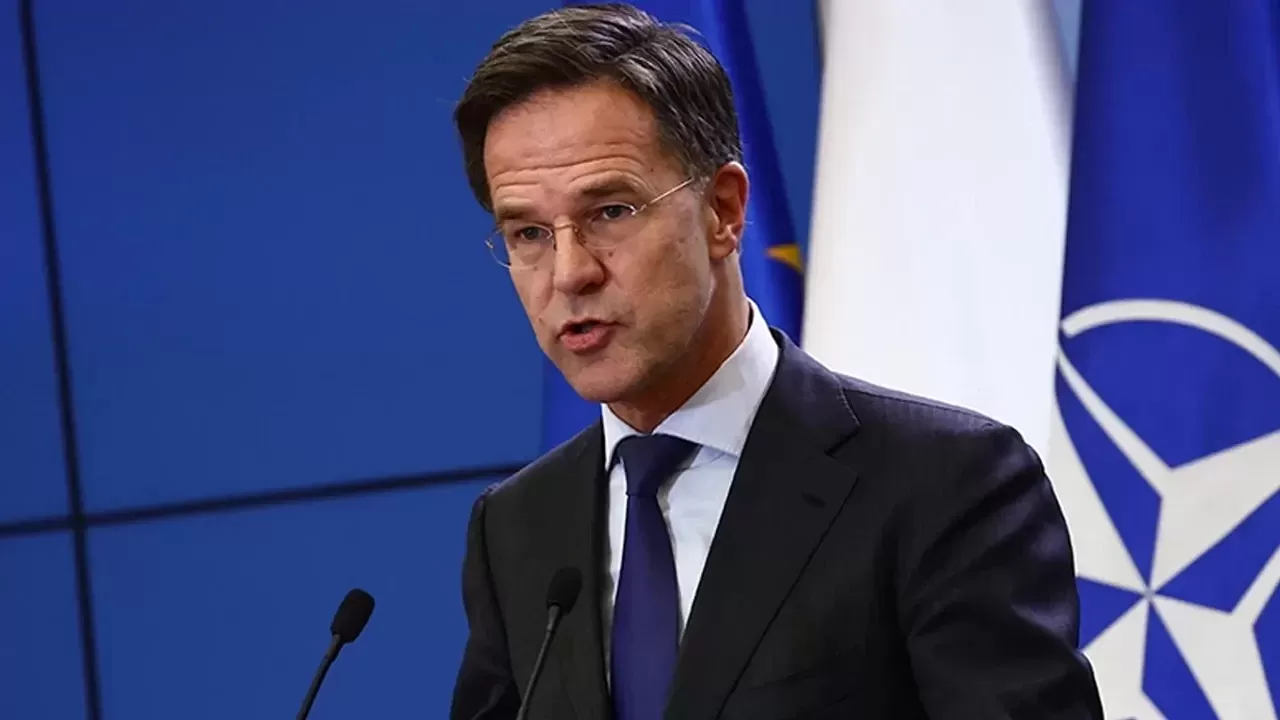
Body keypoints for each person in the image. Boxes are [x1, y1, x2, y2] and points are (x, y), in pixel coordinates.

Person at [448, 4, 1104, 719]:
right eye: (529, 232)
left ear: (723, 211)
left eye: (611, 211)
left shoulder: (943, 484)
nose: (569, 272)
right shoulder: (516, 528)